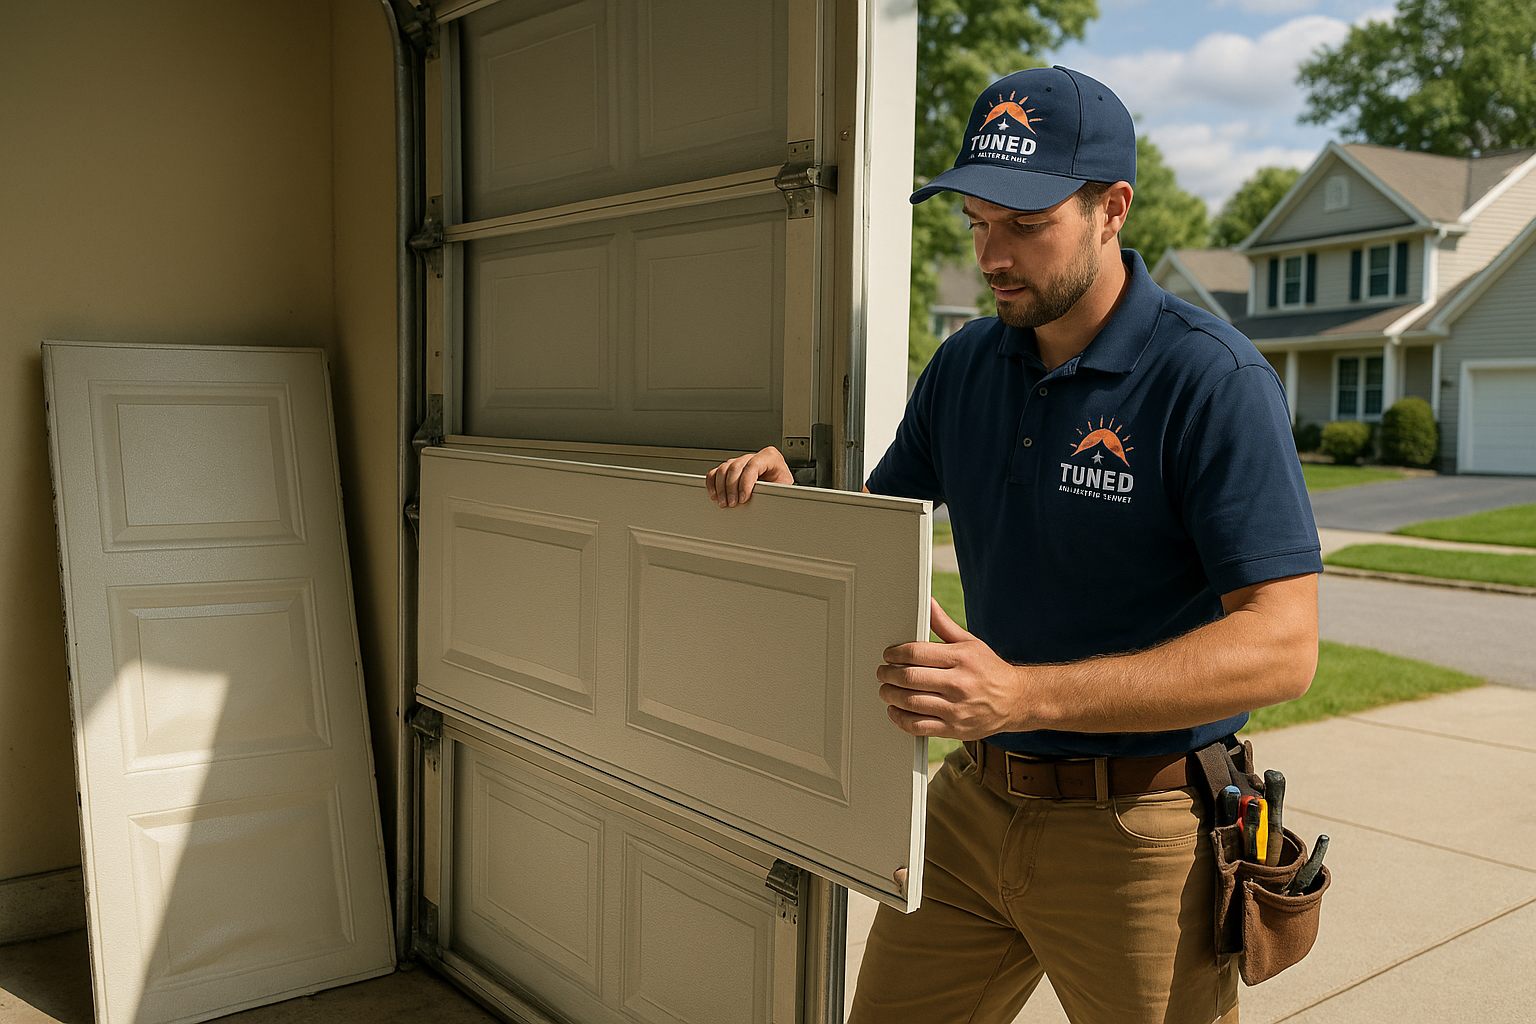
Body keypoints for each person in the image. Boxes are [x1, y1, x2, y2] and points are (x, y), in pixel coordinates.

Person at [704, 65, 1321, 1024]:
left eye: (1026, 225)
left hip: (1140, 833)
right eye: (977, 221)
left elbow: (1284, 644)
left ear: (1112, 208)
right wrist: (798, 510)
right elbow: (880, 531)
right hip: (972, 808)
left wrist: (1025, 693)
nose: (993, 254)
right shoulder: (965, 363)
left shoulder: (1212, 380)